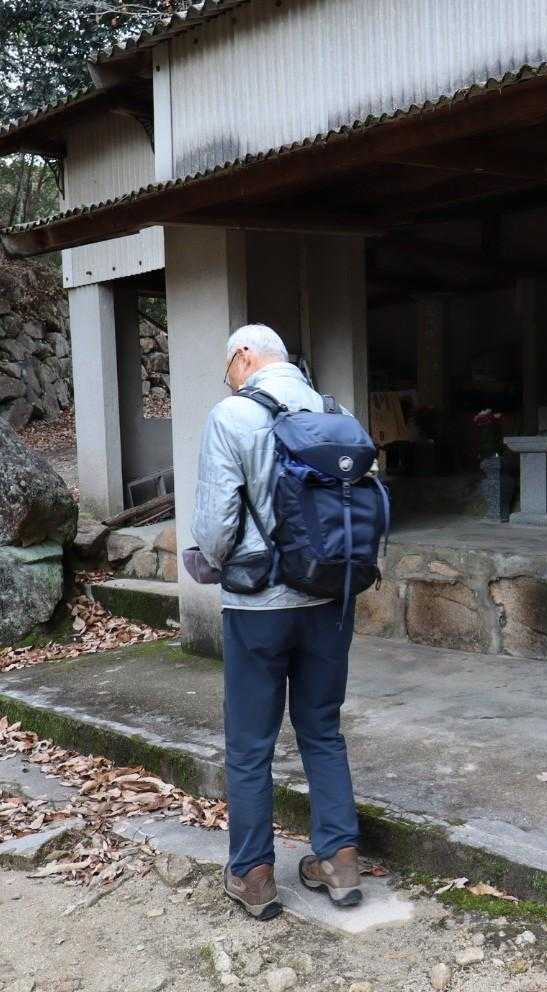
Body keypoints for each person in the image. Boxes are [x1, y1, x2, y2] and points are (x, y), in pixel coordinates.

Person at [192, 324, 364, 919]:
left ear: (243, 356)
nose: (228, 380)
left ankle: (254, 875)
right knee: (322, 729)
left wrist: (210, 560)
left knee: (250, 744)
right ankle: (339, 862)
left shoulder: (232, 416)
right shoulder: (336, 413)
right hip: (330, 600)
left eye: (228, 368)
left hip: (259, 604)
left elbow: (216, 526)